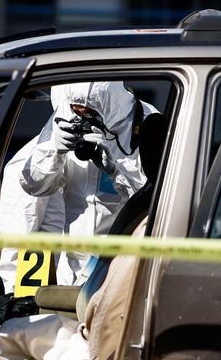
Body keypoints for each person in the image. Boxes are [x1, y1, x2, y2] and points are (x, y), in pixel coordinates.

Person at [20, 82, 158, 285]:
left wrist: (115, 172)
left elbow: (158, 207)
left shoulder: (148, 124)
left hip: (122, 269)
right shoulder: (66, 113)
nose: (82, 118)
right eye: (77, 111)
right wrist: (53, 150)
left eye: (89, 112)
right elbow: (34, 185)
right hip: (71, 271)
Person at [0, 136, 64, 294]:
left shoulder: (117, 152)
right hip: (60, 295)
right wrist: (21, 305)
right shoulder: (34, 163)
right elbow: (18, 245)